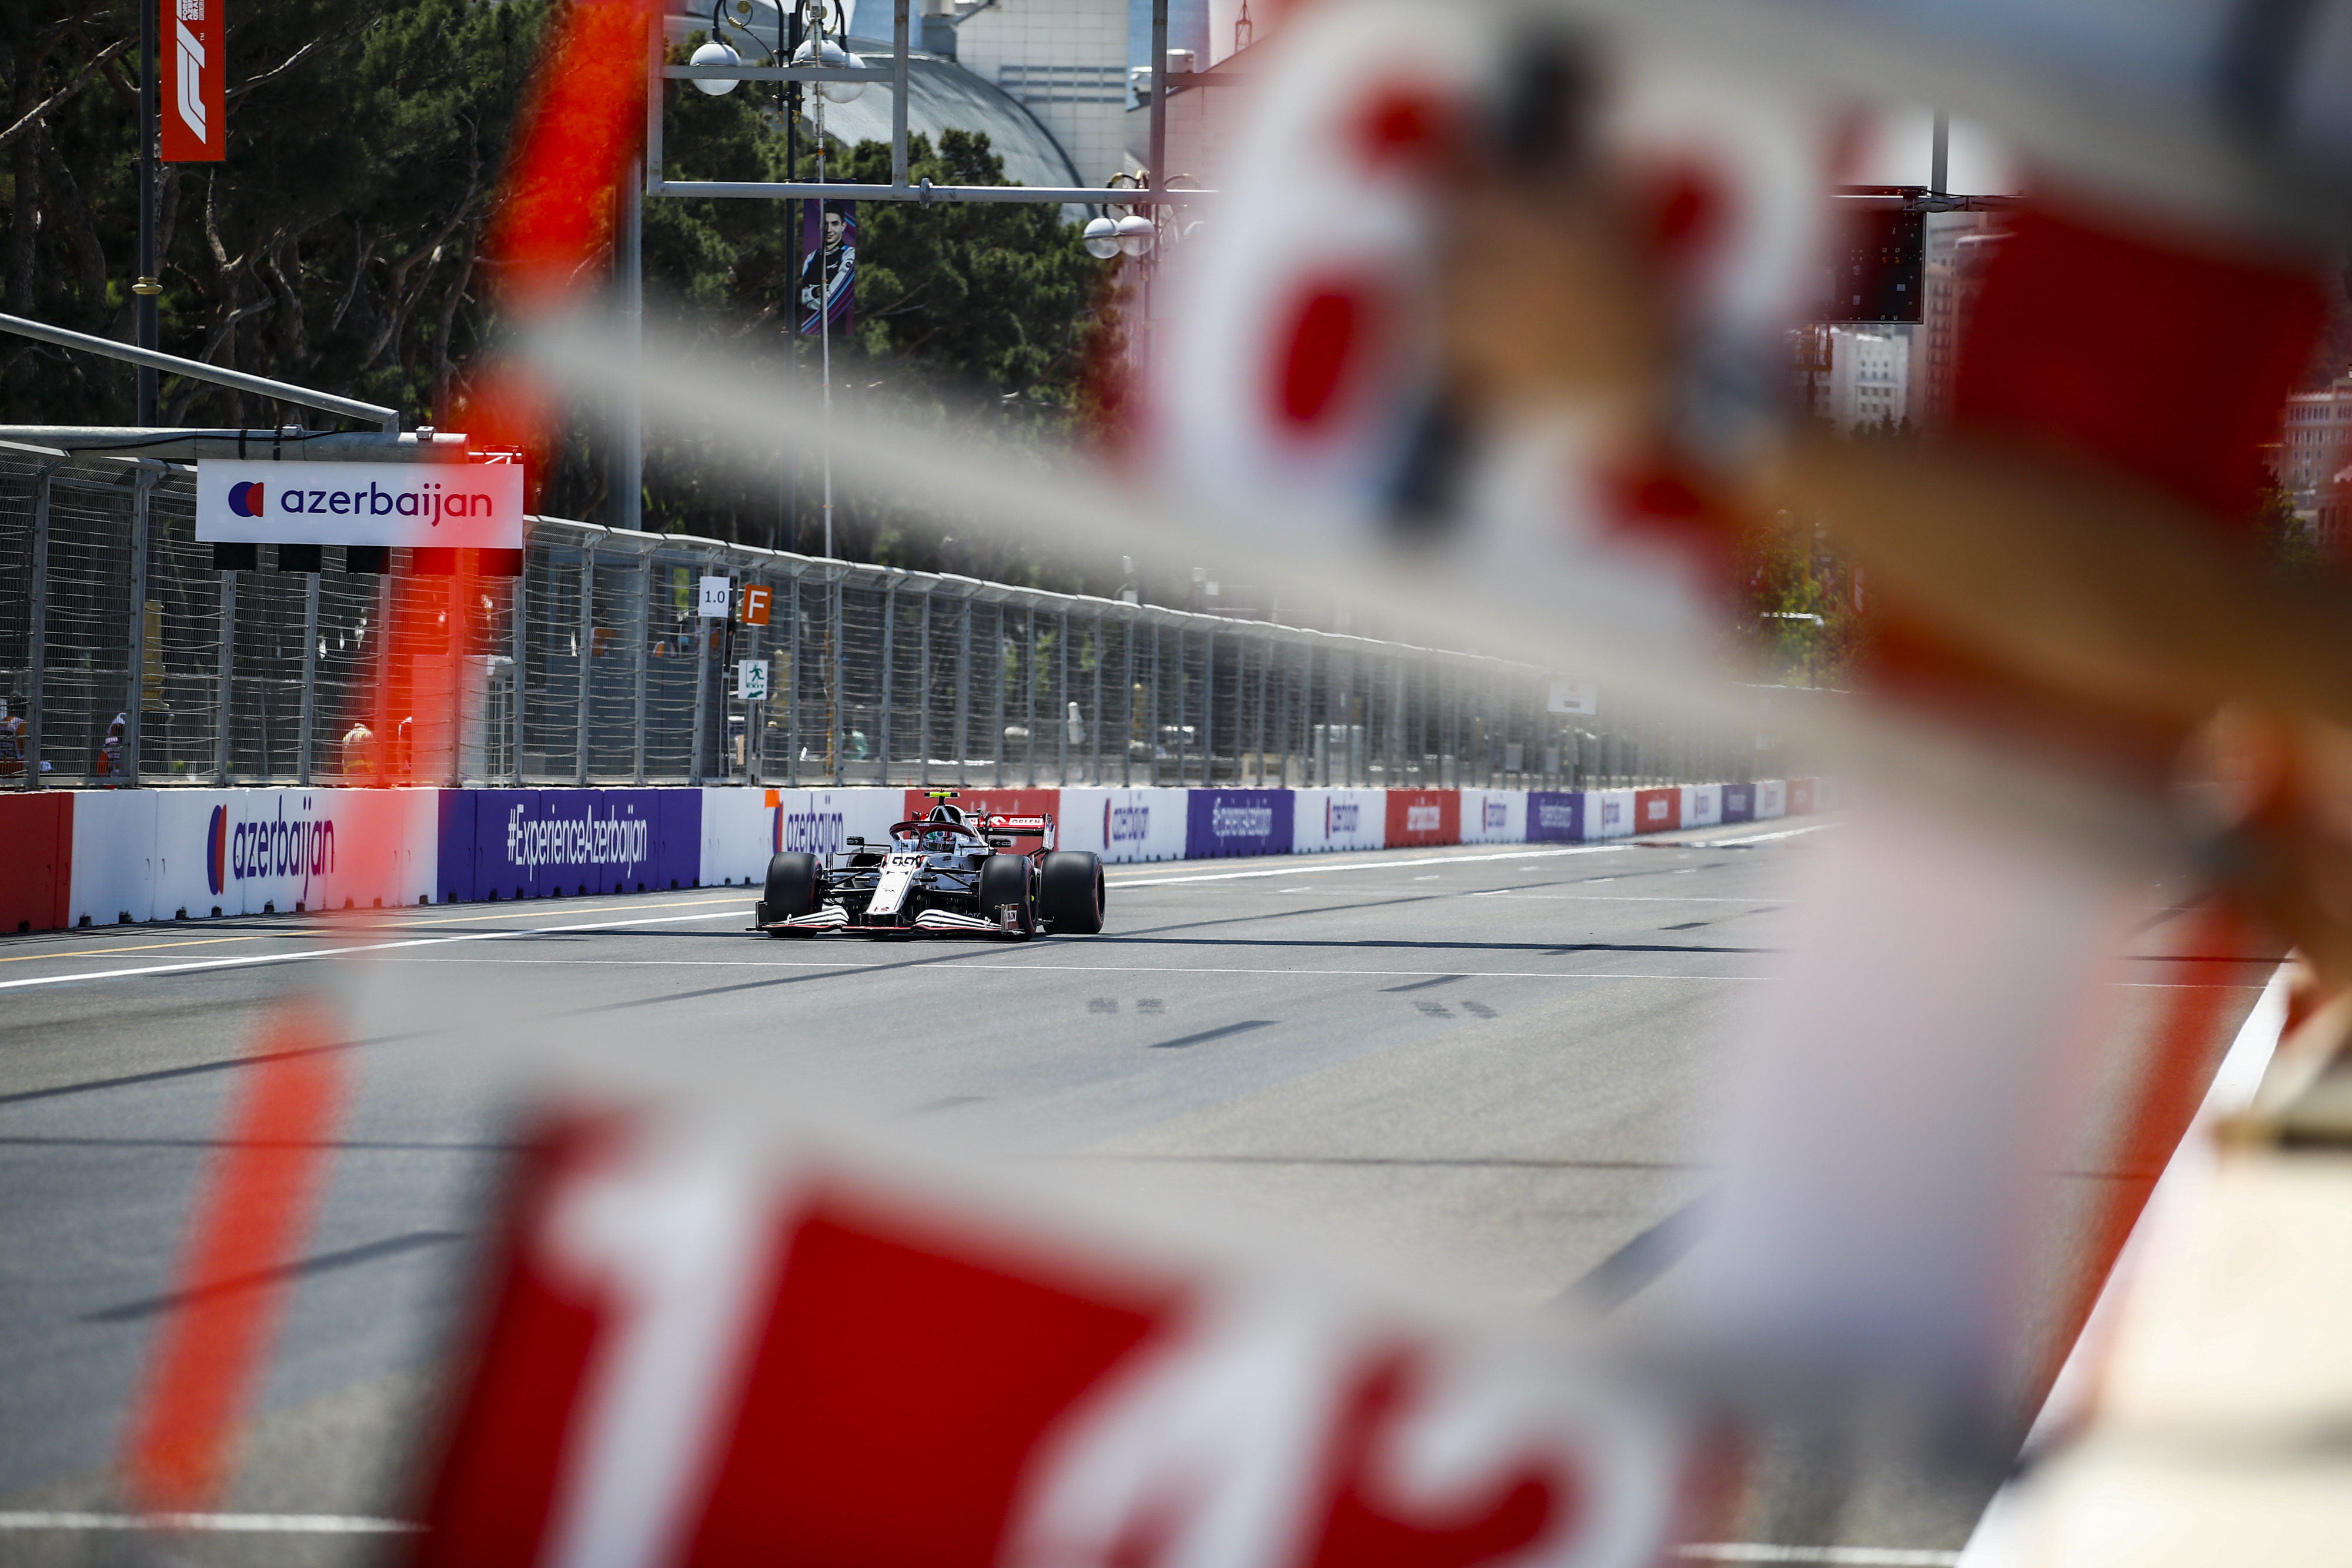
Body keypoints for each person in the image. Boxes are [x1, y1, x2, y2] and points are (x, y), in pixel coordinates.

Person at [95, 713, 125, 781]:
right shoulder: (134, 744)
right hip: (127, 780)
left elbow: (102, 768)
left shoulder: (109, 743)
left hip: (111, 781)